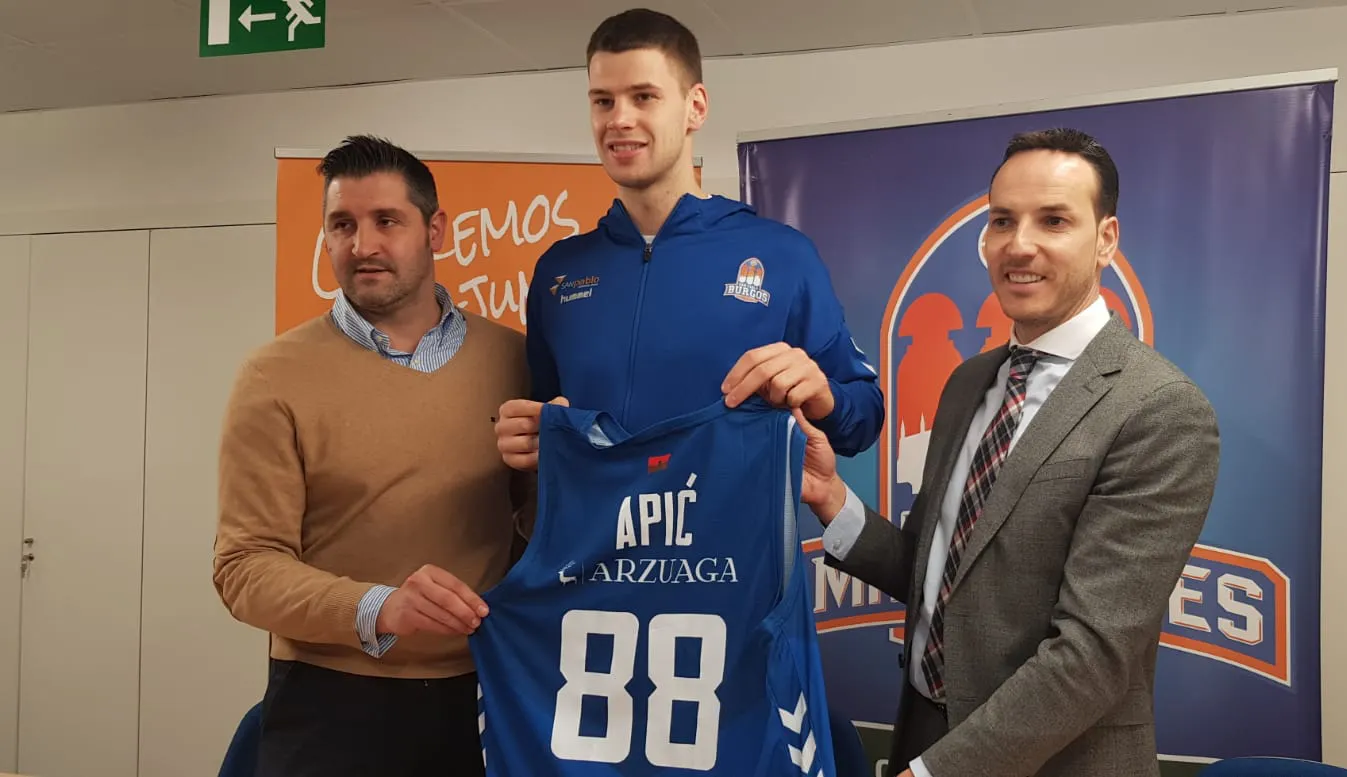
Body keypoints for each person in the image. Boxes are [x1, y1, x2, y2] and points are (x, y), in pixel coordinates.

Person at [792, 128, 1223, 777]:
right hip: (924, 732)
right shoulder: (969, 382)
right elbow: (941, 576)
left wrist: (933, 774)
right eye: (1002, 221)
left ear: (1106, 238)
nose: (1019, 244)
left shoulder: (1159, 409)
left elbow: (1091, 655)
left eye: (1054, 220)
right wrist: (832, 499)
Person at [212, 135, 530, 777]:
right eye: (342, 225)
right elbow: (244, 566)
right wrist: (377, 607)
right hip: (330, 702)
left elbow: (546, 527)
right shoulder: (273, 376)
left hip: (485, 693)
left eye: (387, 221)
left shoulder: (516, 360)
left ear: (434, 230)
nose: (362, 245)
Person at [494, 7, 883, 473]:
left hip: (735, 523)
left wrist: (823, 394)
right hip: (595, 524)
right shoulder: (560, 271)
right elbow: (546, 415)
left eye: (643, 97)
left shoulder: (783, 256)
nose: (619, 119)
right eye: (603, 101)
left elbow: (864, 418)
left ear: (695, 107)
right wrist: (528, 439)